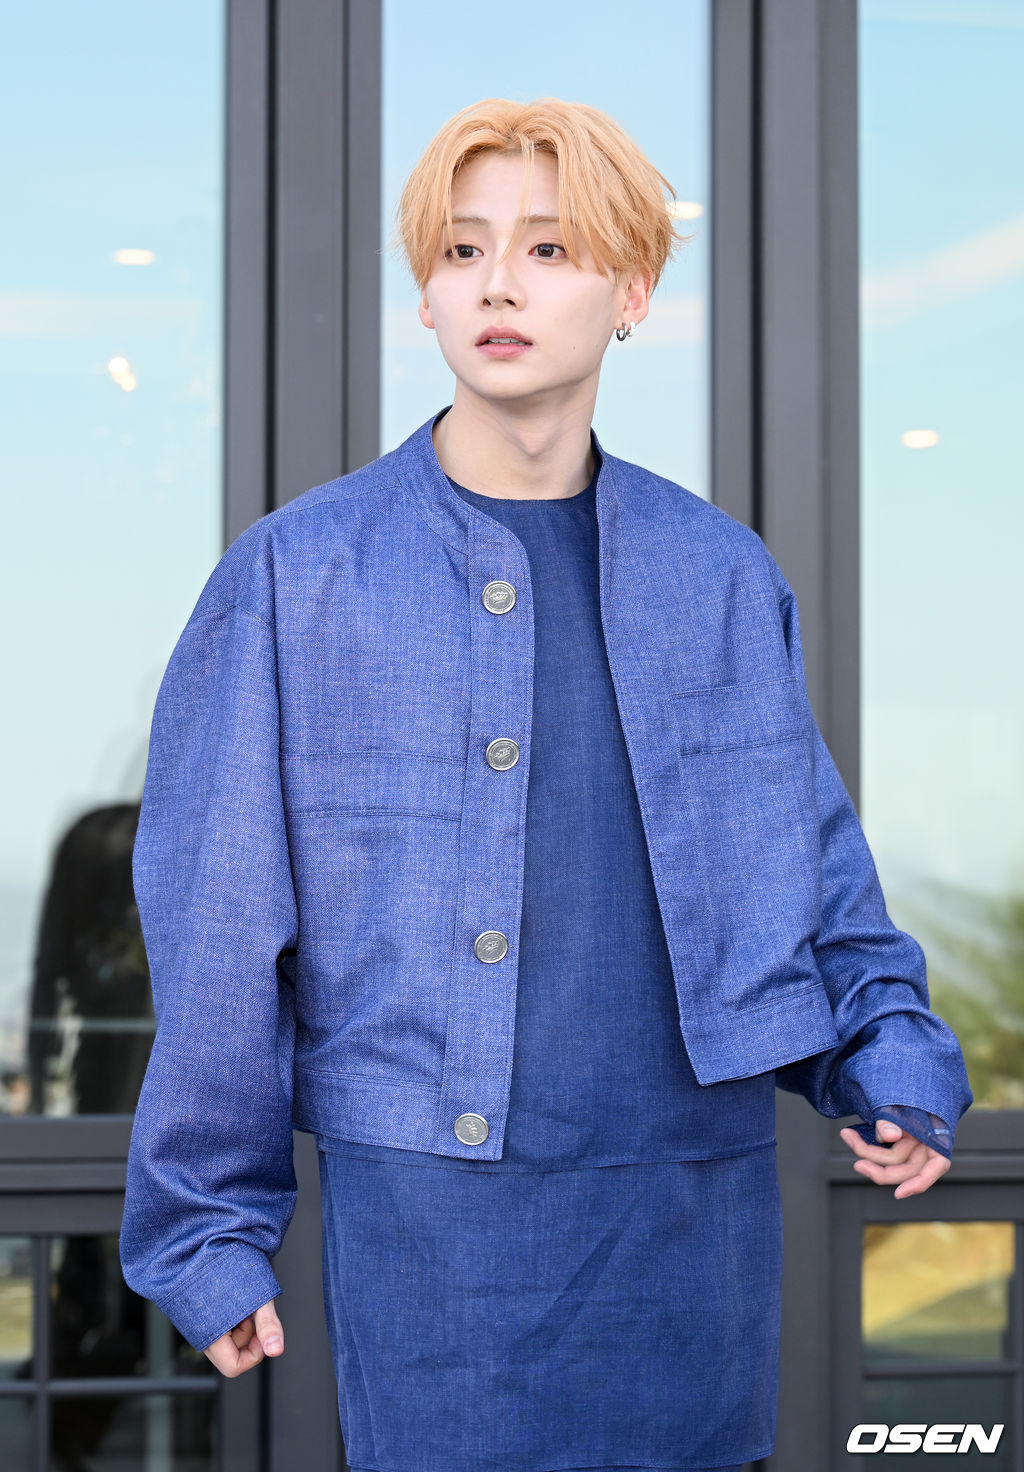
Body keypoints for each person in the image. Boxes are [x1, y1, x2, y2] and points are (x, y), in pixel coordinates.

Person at [119, 97, 973, 1470]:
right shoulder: (295, 576)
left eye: (549, 249)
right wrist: (209, 1234)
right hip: (434, 1238)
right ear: (426, 296)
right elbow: (219, 930)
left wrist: (891, 1061)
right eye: (462, 251)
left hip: (691, 1219)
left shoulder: (719, 575)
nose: (497, 285)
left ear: (631, 294)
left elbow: (806, 872)